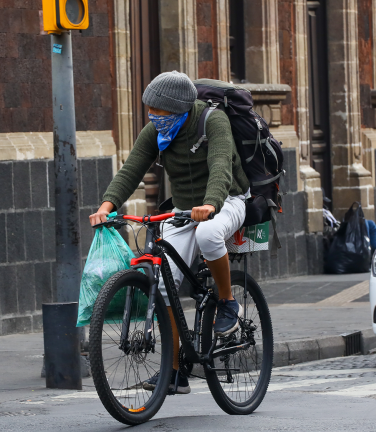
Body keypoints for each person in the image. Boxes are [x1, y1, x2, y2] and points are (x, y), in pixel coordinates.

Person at [89, 71, 250, 394]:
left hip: (227, 199)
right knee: (163, 286)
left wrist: (210, 204)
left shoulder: (212, 122)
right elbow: (132, 167)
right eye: (151, 111)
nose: (154, 117)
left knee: (207, 235)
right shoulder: (157, 131)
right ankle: (175, 371)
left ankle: (227, 301)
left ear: (180, 109)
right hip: (182, 209)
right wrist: (107, 205)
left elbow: (220, 165)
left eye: (160, 112)